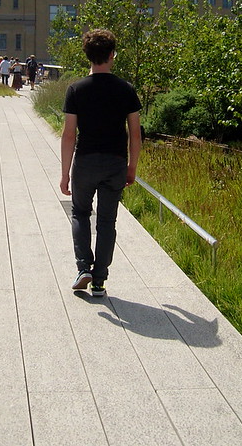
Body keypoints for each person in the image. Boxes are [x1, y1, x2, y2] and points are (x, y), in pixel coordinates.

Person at [60, 29, 141, 297]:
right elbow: (135, 134)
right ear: (111, 55)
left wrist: (64, 174)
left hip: (85, 162)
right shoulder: (126, 90)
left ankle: (83, 267)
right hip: (116, 162)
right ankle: (99, 281)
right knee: (107, 221)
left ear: (88, 56)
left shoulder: (76, 89)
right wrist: (132, 168)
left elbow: (69, 134)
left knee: (81, 213)